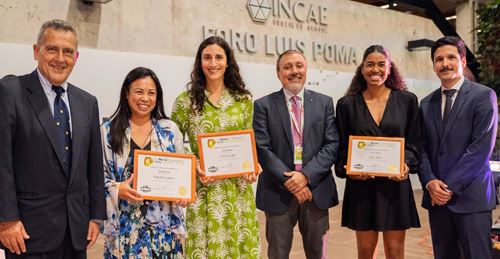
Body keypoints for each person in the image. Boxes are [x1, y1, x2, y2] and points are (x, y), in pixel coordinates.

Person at [0, 19, 106, 259]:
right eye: (52, 49)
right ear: (36, 51)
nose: (60, 58)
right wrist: (6, 220)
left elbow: (93, 166)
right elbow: (2, 162)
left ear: (76, 57)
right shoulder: (10, 92)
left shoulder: (87, 102)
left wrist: (95, 215)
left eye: (68, 51)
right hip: (26, 232)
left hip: (76, 230)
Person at [171, 36, 260, 258]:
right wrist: (194, 163)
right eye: (207, 58)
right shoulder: (185, 101)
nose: (213, 63)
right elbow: (172, 145)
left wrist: (252, 166)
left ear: (228, 62)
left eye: (219, 57)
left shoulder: (244, 100)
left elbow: (249, 143)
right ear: (199, 62)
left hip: (237, 192)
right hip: (203, 193)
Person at [334, 45, 420, 259]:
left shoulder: (407, 100)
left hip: (395, 186)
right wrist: (349, 169)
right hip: (362, 186)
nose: (376, 69)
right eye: (370, 64)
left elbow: (415, 143)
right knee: (365, 251)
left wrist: (406, 164)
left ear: (390, 68)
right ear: (362, 69)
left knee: (394, 250)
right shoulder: (347, 104)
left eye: (382, 64)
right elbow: (342, 147)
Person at [253, 49, 339, 259]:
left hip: (315, 190)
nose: (294, 71)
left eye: (299, 65)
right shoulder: (263, 105)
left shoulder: (324, 102)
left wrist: (305, 177)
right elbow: (262, 149)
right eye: (287, 67)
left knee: (318, 254)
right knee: (278, 254)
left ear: (306, 69)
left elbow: (331, 144)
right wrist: (292, 182)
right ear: (278, 72)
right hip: (277, 191)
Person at [419, 36, 498, 259]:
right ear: (433, 65)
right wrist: (429, 182)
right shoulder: (426, 103)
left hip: (471, 198)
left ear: (463, 61)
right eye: (439, 59)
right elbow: (421, 148)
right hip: (437, 200)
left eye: (451, 57)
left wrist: (448, 187)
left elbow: (480, 149)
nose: (445, 63)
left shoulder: (483, 96)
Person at [101, 67, 188, 258]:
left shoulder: (170, 130)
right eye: (139, 91)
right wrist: (117, 189)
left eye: (151, 93)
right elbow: (97, 177)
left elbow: (183, 175)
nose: (145, 98)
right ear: (126, 93)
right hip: (123, 229)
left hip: (164, 230)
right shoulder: (108, 131)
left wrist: (184, 194)